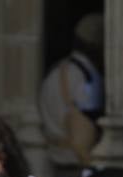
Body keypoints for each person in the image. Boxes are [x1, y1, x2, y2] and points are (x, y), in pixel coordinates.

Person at [39, 13, 104, 168]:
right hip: (77, 162)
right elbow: (88, 120)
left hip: (54, 158)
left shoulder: (55, 71)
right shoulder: (87, 76)